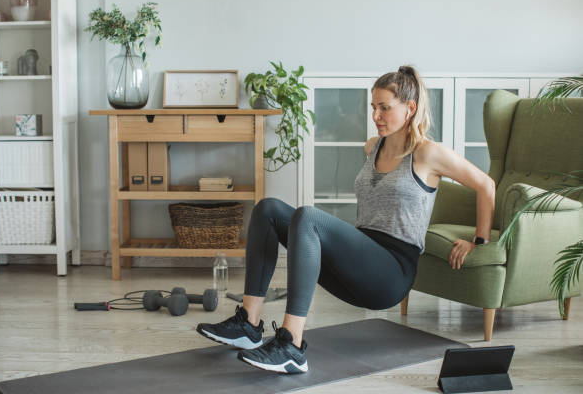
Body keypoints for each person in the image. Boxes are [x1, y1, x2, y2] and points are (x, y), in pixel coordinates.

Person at [196, 65, 496, 374]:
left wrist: (479, 241)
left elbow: (486, 185)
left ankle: (292, 345)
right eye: (373, 107)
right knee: (268, 209)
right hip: (360, 259)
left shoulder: (428, 153)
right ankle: (249, 323)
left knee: (308, 217)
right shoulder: (372, 147)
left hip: (391, 273)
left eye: (384, 108)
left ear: (410, 108)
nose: (376, 115)